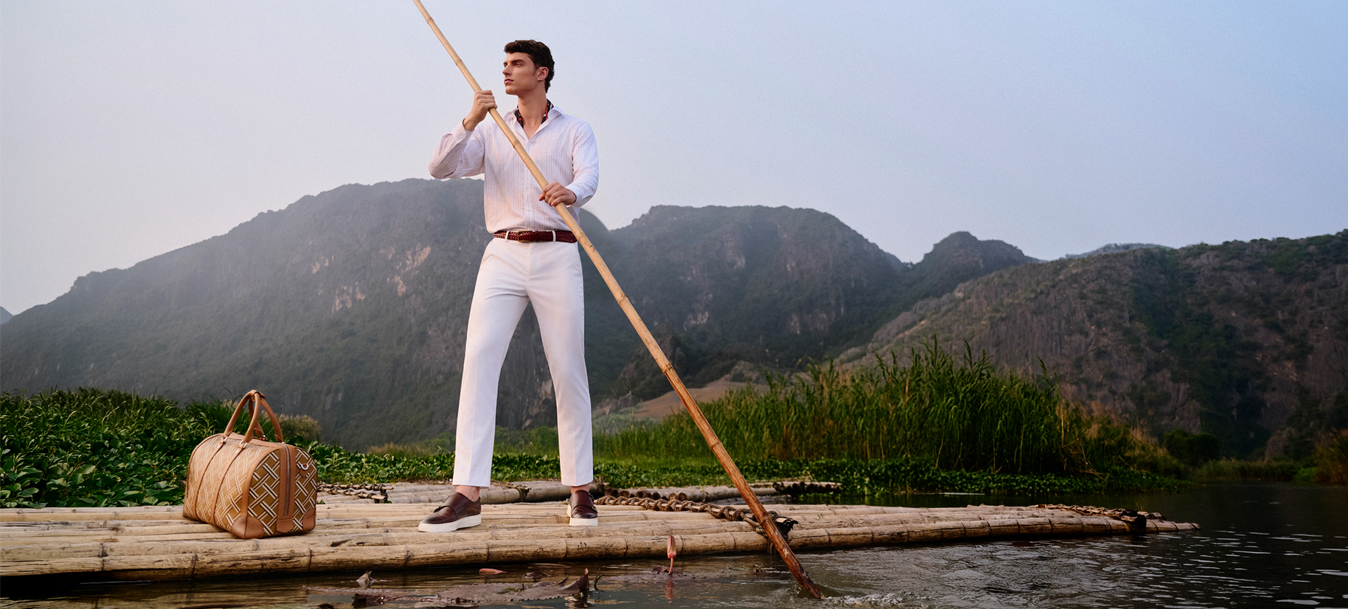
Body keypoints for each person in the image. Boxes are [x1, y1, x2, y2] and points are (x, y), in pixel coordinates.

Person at [420, 40, 600, 532]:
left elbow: (589, 177)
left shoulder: (575, 129)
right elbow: (439, 168)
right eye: (503, 64)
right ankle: (467, 494)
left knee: (568, 366)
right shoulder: (492, 128)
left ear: (542, 72)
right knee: (479, 360)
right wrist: (470, 120)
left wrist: (571, 191)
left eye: (517, 64)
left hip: (558, 250)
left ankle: (580, 491)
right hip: (502, 252)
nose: (506, 71)